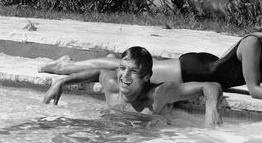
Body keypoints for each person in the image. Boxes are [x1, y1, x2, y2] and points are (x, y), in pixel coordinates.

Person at [40, 5, 262, 104]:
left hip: (206, 64)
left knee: (122, 65)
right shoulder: (251, 44)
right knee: (120, 67)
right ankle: (63, 67)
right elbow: (255, 90)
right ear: (261, 25)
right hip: (192, 69)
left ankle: (66, 65)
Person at [43, 46, 223, 126]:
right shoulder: (113, 88)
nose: (124, 76)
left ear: (146, 77)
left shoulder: (159, 94)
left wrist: (211, 107)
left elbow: (211, 86)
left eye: (133, 72)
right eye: (122, 69)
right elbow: (98, 72)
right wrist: (62, 82)